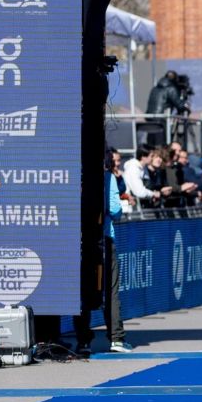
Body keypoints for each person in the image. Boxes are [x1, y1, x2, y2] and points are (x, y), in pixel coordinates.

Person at [73, 147, 132, 356]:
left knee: (82, 291)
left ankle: (83, 340)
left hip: (79, 240)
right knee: (110, 290)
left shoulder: (75, 177)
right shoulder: (107, 178)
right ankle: (116, 338)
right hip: (104, 238)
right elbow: (115, 209)